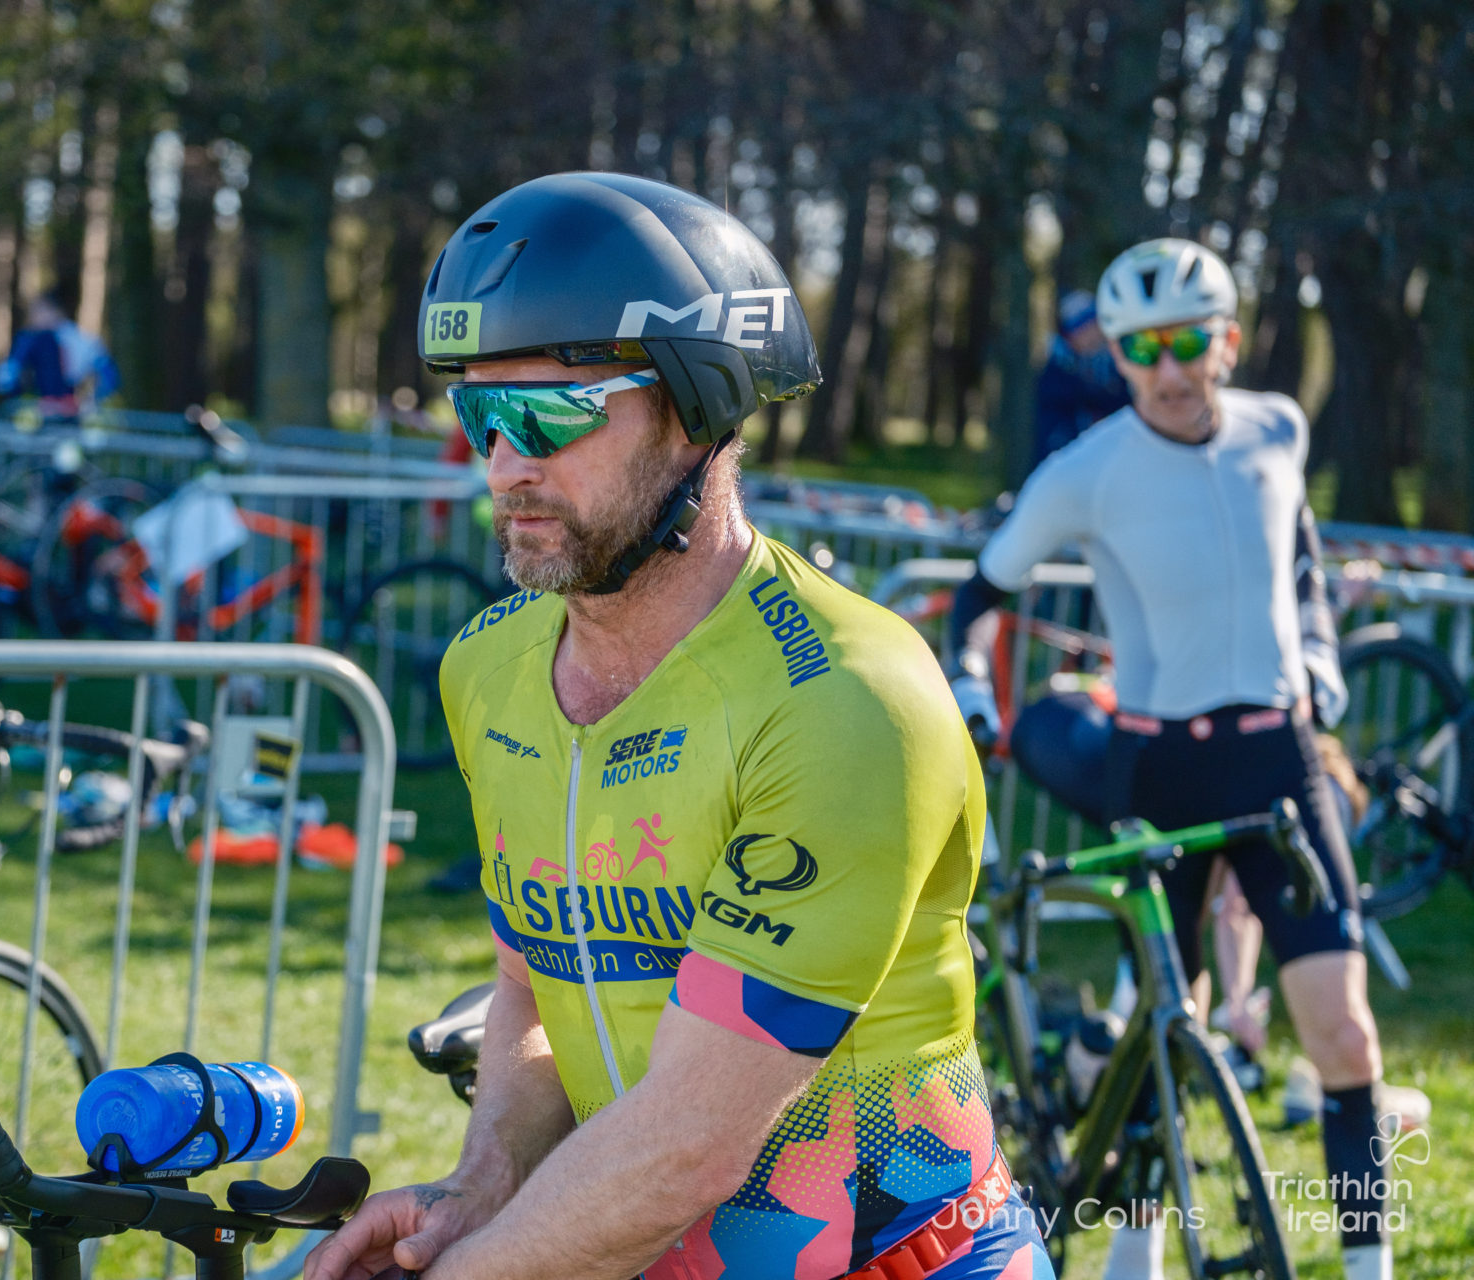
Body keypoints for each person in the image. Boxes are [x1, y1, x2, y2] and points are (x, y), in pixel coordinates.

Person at [306, 173, 1053, 1280]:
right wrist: (483, 1186)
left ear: (695, 408)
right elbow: (533, 985)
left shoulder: (846, 696)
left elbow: (690, 1141)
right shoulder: (487, 669)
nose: (504, 464)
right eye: (478, 415)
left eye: (548, 413)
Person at [947, 238, 1394, 1280]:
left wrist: (1320, 653)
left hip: (1279, 763)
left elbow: (1300, 557)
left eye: (1189, 342)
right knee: (1160, 1033)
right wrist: (971, 687)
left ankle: (1372, 1266)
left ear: (1228, 341)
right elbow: (979, 595)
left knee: (1346, 1037)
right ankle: (1133, 1253)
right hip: (1158, 774)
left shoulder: (1278, 428)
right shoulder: (1086, 469)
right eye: (1142, 349)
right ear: (1117, 355)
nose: (1169, 368)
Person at [1030, 290, 1130, 474]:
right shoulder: (1056, 367)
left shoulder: (1110, 362)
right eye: (1084, 327)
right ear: (1070, 334)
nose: (1092, 333)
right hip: (1063, 460)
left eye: (1094, 324)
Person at [0, 290, 121, 410]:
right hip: (42, 405)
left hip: (67, 405)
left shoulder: (82, 341)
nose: (34, 317)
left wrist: (93, 400)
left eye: (39, 311)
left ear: (56, 311)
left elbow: (108, 376)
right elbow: (7, 378)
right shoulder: (30, 340)